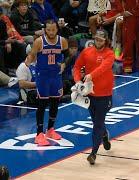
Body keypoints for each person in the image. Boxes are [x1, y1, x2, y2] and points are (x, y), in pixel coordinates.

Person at [73, 29, 114, 165]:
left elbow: (103, 68)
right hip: (90, 95)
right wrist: (78, 80)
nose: (98, 42)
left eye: (101, 40)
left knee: (97, 123)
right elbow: (77, 67)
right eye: (96, 39)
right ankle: (104, 135)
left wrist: (91, 75)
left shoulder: (110, 54)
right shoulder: (87, 51)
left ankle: (93, 153)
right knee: (97, 122)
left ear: (105, 41)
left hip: (105, 95)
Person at [25, 19, 68, 146]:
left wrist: (64, 63)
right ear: (45, 30)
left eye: (53, 29)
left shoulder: (62, 41)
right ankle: (39, 134)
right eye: (48, 30)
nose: (51, 32)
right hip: (43, 77)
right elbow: (32, 55)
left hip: (56, 76)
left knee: (55, 102)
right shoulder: (39, 42)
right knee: (42, 104)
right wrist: (28, 61)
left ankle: (50, 129)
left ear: (57, 29)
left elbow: (67, 55)